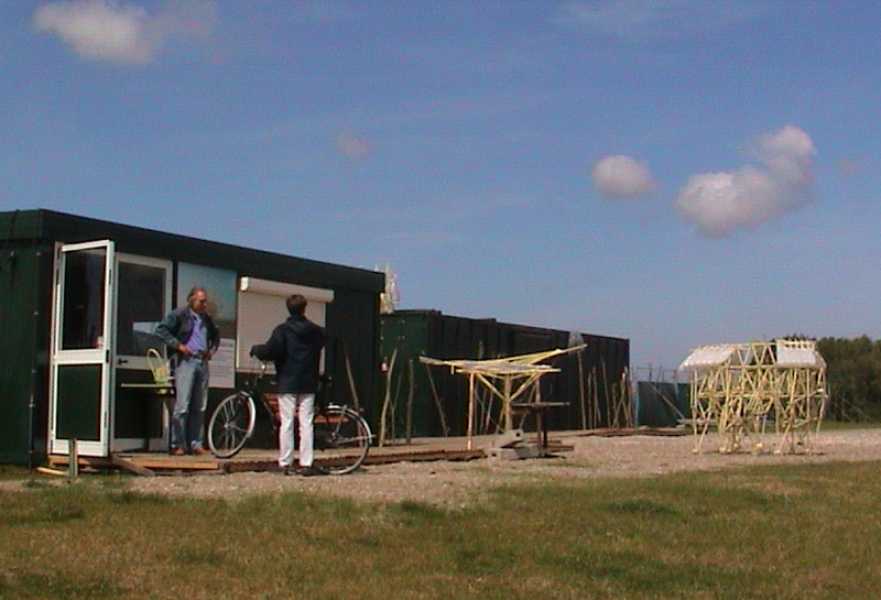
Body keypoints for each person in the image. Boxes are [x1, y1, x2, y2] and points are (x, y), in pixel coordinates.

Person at [250, 294, 326, 476]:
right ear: (304, 308)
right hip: (309, 380)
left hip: (288, 380)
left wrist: (256, 350)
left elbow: (272, 350)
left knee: (287, 422)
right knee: (306, 422)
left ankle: (286, 462)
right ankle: (307, 463)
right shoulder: (316, 331)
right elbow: (324, 341)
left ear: (288, 308)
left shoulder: (282, 330)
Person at [155, 286, 220, 456]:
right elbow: (161, 330)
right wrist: (179, 346)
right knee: (182, 405)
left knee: (200, 405)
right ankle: (178, 443)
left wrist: (211, 351)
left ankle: (196, 443)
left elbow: (216, 336)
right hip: (186, 361)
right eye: (201, 301)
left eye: (205, 301)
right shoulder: (180, 314)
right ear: (191, 300)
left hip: (202, 361)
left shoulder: (207, 318)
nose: (204, 304)